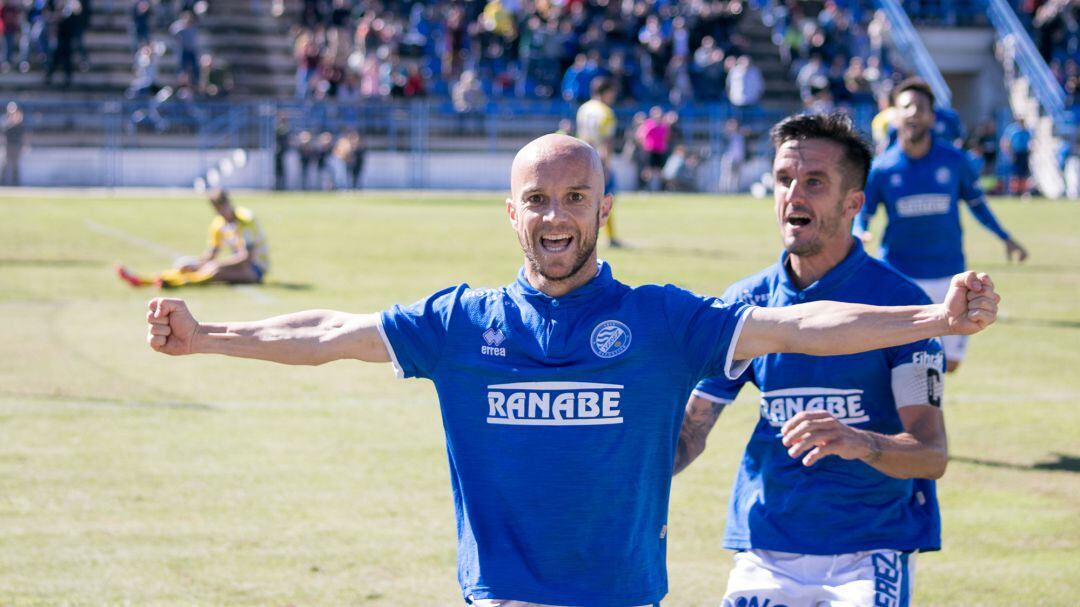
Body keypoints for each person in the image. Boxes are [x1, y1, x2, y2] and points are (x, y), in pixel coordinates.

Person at [143, 134, 999, 606]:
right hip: (504, 597)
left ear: (603, 207)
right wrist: (209, 331)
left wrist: (931, 316)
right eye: (539, 200)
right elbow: (330, 329)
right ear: (511, 211)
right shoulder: (462, 322)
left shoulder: (662, 318)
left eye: (576, 198)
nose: (557, 216)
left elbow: (802, 325)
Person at [676, 112, 949, 606]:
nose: (793, 196)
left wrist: (858, 440)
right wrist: (609, 468)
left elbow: (931, 455)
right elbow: (691, 432)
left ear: (854, 204)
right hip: (767, 545)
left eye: (814, 182)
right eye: (784, 179)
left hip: (868, 553)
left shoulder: (901, 309)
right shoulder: (747, 304)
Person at [855, 78, 1025, 373]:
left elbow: (977, 205)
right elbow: (864, 211)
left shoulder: (954, 161)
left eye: (921, 107)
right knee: (898, 360)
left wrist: (1005, 237)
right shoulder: (882, 167)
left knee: (951, 363)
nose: (913, 113)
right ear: (895, 115)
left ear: (932, 117)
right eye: (906, 106)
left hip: (949, 274)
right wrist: (859, 231)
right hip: (899, 275)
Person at [117, 188, 268, 288]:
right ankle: (143, 280)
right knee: (186, 266)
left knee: (214, 272)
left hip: (255, 269)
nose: (220, 213)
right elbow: (211, 254)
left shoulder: (245, 220)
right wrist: (196, 263)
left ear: (228, 204)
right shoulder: (218, 224)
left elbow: (247, 258)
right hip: (238, 264)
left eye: (222, 209)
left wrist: (217, 265)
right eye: (217, 210)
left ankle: (174, 284)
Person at [576, 76, 622, 247]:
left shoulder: (584, 108)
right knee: (607, 199)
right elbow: (607, 141)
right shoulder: (606, 113)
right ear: (607, 92)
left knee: (585, 199)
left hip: (584, 158)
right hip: (599, 161)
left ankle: (584, 235)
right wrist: (606, 165)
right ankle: (609, 237)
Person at [1001, 117, 1033, 197]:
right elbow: (1006, 141)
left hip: (1024, 154)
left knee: (1023, 174)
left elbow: (1030, 143)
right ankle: (1014, 192)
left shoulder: (1026, 131)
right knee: (1014, 173)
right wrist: (1008, 152)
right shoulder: (1013, 130)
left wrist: (1030, 152)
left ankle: (1023, 192)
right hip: (1015, 153)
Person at [2, 101, 24, 186]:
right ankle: (3, 182)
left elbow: (22, 134)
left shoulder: (19, 122)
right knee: (5, 165)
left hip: (16, 145)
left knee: (15, 165)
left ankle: (15, 183)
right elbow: (5, 132)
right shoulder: (5, 121)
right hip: (8, 145)